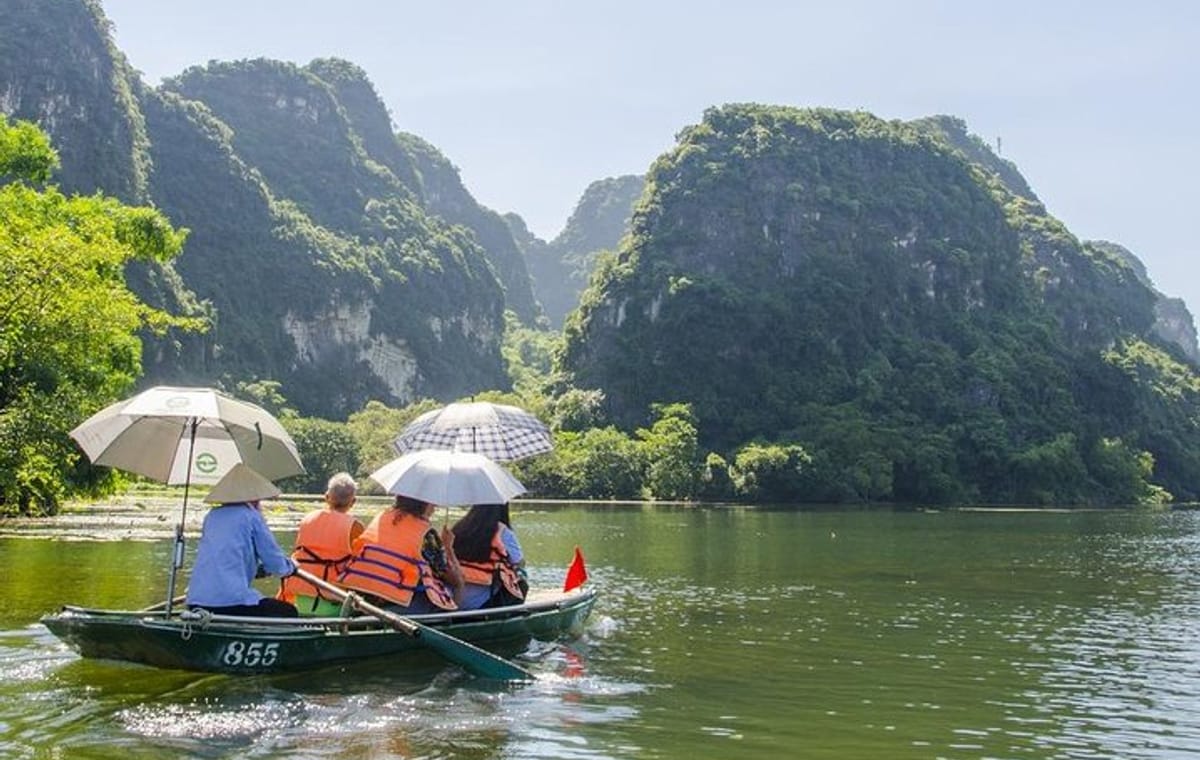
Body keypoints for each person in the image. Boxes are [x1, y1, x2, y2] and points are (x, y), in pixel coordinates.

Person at [185, 463, 299, 618]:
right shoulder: (251, 516)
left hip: (196, 601)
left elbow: (228, 554)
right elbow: (275, 563)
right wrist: (291, 567)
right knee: (288, 611)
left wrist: (256, 569)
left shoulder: (212, 516)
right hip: (232, 602)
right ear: (254, 498)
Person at [338, 494, 464, 613]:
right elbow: (448, 575)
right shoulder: (426, 533)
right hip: (396, 602)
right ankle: (455, 621)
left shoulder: (381, 516)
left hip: (363, 595)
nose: (435, 506)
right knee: (455, 585)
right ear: (423, 503)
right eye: (432, 501)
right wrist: (448, 547)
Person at [277, 472, 365, 616]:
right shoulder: (355, 526)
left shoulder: (307, 519)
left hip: (301, 598)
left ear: (326, 497)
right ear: (353, 501)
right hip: (335, 601)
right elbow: (362, 565)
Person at [452, 503, 527, 610]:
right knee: (522, 579)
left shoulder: (459, 528)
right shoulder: (503, 532)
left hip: (453, 601)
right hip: (481, 605)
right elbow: (519, 562)